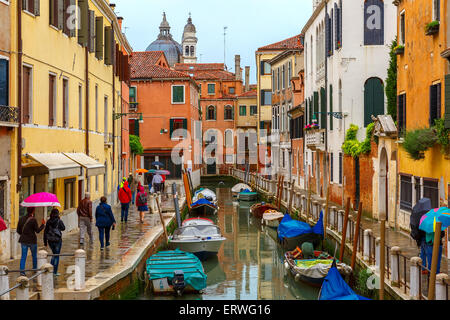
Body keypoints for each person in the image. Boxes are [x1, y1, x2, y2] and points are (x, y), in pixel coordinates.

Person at [17, 207, 45, 276]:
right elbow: (37, 231)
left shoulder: (21, 219)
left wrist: (24, 235)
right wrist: (43, 225)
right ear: (33, 211)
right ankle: (34, 269)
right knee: (34, 256)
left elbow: (18, 230)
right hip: (32, 241)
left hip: (23, 240)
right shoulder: (33, 220)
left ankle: (22, 272)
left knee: (23, 257)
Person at [43, 209, 66, 276]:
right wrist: (59, 221)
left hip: (50, 241)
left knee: (54, 254)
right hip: (57, 240)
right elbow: (63, 228)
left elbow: (45, 232)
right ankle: (54, 272)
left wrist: (45, 242)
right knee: (56, 256)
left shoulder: (48, 221)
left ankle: (51, 269)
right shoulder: (59, 221)